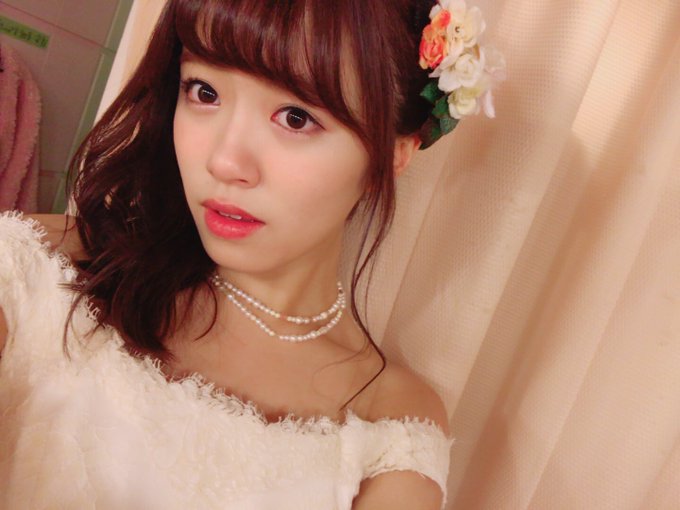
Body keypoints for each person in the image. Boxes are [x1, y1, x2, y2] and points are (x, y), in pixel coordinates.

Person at [0, 0, 502, 508]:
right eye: (204, 91)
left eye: (296, 117)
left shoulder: (390, 418)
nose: (224, 161)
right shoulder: (39, 265)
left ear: (393, 154)